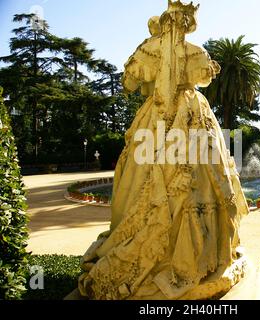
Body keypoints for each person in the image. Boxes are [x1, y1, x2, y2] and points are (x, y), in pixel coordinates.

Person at [77, 0, 248, 300]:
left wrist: (148, 56)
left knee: (142, 178)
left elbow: (129, 82)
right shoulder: (197, 53)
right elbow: (204, 78)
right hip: (194, 113)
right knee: (203, 178)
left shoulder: (150, 49)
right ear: (188, 22)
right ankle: (202, 254)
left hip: (156, 118)